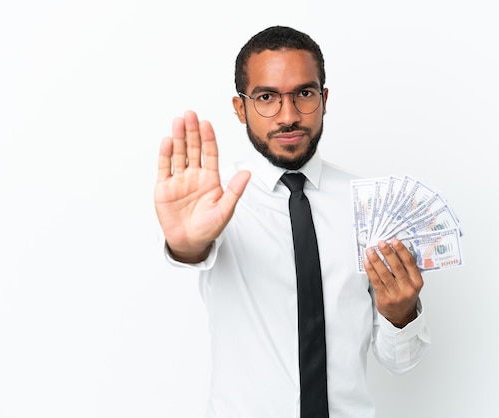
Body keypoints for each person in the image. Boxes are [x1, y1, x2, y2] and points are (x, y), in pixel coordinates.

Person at [154, 25, 431, 418]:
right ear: (240, 108)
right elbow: (193, 247)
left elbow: (400, 361)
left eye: (304, 94)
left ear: (324, 99)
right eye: (267, 97)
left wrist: (400, 314)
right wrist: (185, 245)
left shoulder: (370, 206)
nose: (288, 116)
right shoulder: (216, 200)